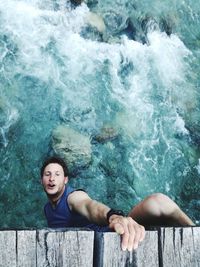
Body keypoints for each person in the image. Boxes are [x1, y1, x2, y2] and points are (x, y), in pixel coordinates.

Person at [41, 156, 195, 251]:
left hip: (110, 236)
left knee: (158, 202)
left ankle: (196, 235)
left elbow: (89, 206)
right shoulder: (47, 209)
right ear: (42, 180)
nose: (52, 178)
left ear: (65, 180)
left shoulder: (73, 197)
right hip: (81, 247)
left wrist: (112, 216)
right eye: (47, 174)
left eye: (57, 174)